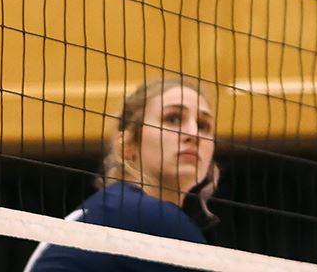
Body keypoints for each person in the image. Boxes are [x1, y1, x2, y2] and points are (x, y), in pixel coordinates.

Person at [25, 78, 219, 271]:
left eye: (203, 125)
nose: (193, 134)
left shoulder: (115, 208)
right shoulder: (145, 215)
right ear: (127, 145)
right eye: (173, 119)